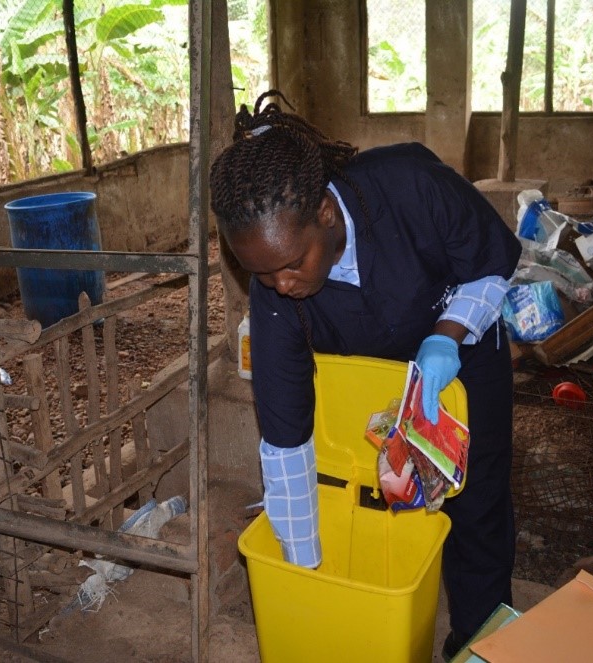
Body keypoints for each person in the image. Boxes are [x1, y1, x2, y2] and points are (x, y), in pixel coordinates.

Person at [209, 90, 521, 659]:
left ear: (325, 215)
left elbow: (493, 261)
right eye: (259, 271)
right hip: (375, 380)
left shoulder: (411, 190)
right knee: (386, 498)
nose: (279, 282)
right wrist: (307, 575)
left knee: (475, 503)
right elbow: (285, 439)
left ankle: (477, 643)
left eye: (290, 262)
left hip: (460, 351)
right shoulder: (275, 293)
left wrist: (448, 336)